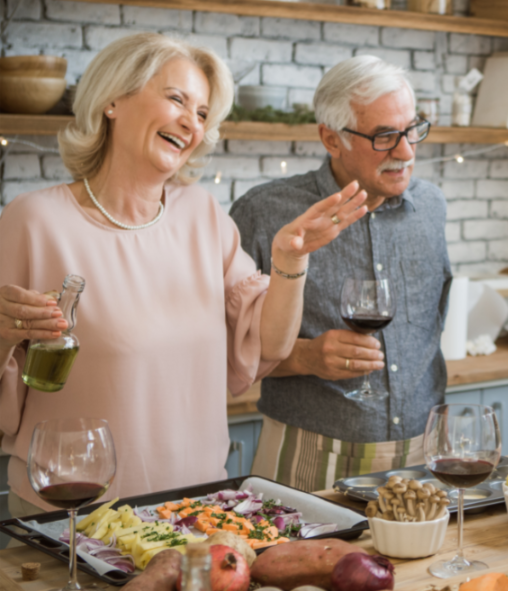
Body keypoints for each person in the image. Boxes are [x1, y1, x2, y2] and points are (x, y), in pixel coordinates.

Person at [0, 33, 367, 515]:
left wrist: (290, 260)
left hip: (194, 511)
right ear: (113, 99)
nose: (191, 123)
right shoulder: (34, 221)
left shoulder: (203, 216)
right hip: (71, 512)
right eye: (176, 99)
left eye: (201, 114)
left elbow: (269, 344)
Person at [230, 55, 452, 491]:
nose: (406, 152)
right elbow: (218, 348)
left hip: (424, 455)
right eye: (385, 136)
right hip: (309, 451)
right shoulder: (264, 212)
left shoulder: (432, 207)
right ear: (331, 139)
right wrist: (305, 357)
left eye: (411, 130)